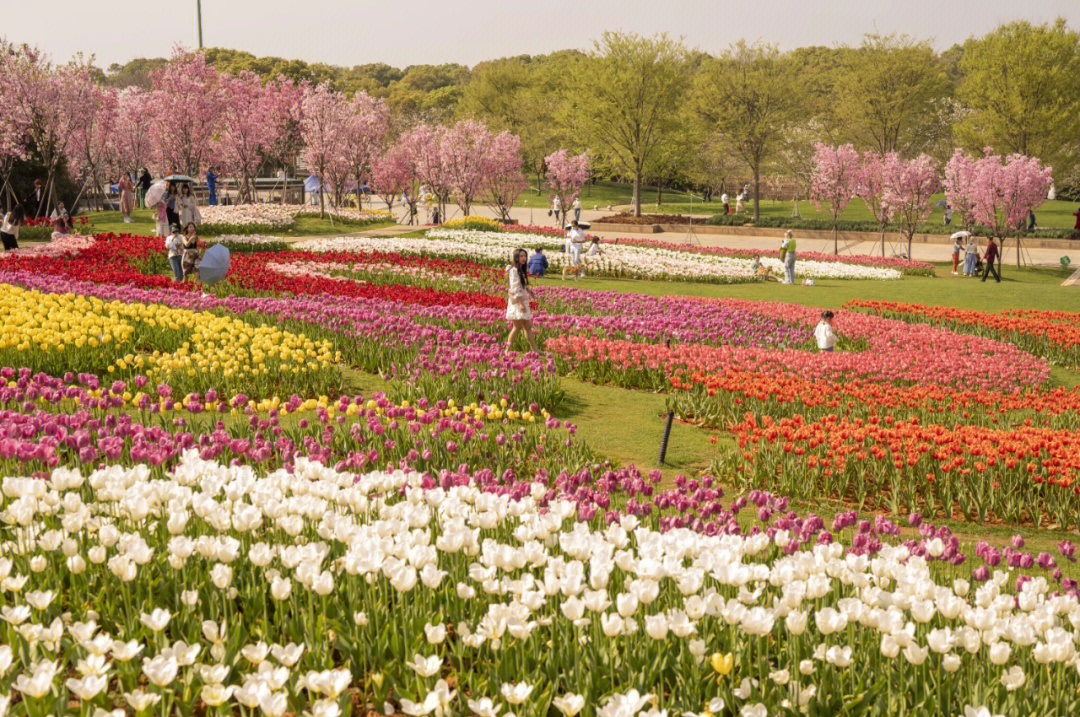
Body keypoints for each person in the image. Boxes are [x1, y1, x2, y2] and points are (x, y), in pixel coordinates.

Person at [505, 248, 539, 352]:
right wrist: (521, 304)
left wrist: (530, 292)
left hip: (523, 300)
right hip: (518, 302)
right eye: (521, 256)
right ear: (516, 257)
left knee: (528, 327)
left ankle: (535, 350)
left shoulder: (521, 269)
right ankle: (507, 350)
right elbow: (515, 288)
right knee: (517, 327)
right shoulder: (514, 271)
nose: (523, 258)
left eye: (524, 256)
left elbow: (522, 285)